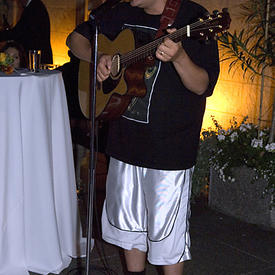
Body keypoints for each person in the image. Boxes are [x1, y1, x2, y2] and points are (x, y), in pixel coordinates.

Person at [66, 0, 220, 274]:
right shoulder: (121, 12)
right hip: (125, 142)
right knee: (128, 228)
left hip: (169, 149)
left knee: (168, 237)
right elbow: (75, 39)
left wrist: (179, 58)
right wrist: (99, 56)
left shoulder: (194, 18)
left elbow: (201, 85)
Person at [0, 0, 53, 64]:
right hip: (38, 56)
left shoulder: (34, 7)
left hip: (37, 57)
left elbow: (18, 32)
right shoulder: (34, 6)